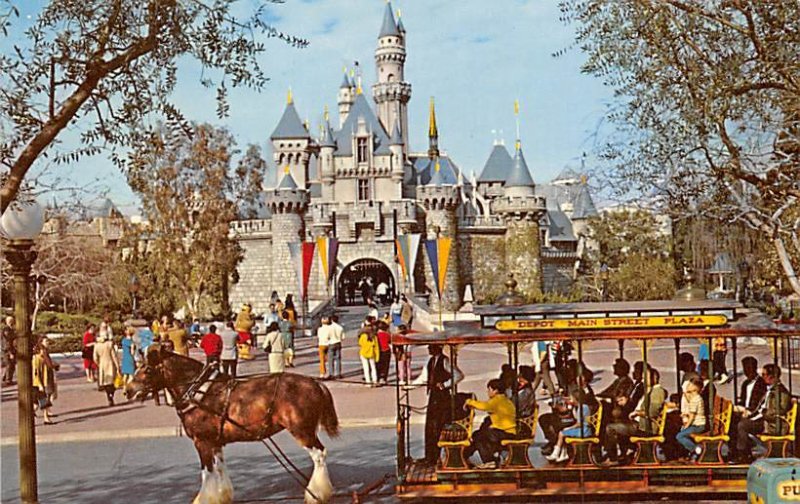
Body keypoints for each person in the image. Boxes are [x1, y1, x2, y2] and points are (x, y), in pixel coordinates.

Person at [411, 344, 464, 465]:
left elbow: (458, 376)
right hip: (433, 397)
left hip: (442, 398)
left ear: (437, 348)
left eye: (431, 347)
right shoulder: (430, 361)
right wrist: (409, 386)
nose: (428, 349)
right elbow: (424, 378)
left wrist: (445, 384)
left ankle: (437, 457)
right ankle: (429, 456)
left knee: (438, 426)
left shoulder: (444, 361)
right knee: (430, 427)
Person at [603, 368, 667, 465]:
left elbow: (652, 412)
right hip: (639, 423)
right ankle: (625, 454)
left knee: (611, 428)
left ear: (654, 378)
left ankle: (613, 458)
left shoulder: (657, 392)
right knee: (615, 422)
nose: (642, 380)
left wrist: (637, 413)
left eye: (645, 377)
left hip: (645, 426)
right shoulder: (649, 391)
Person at [731, 363, 791, 464]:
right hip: (763, 419)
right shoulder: (769, 390)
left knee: (742, 425)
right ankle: (740, 452)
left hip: (770, 424)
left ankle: (742, 455)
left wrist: (764, 413)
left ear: (772, 376)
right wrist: (749, 413)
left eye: (764, 375)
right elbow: (760, 407)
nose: (762, 377)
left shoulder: (781, 391)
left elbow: (780, 409)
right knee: (735, 420)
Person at [463, 378, 517, 469]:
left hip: (504, 433)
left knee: (479, 436)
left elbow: (484, 406)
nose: (488, 392)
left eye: (489, 389)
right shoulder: (506, 400)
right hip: (508, 432)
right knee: (479, 436)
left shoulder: (496, 401)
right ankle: (466, 457)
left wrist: (468, 401)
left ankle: (484, 459)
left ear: (495, 391)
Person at [728, 356, 767, 461]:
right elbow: (743, 400)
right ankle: (733, 450)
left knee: (742, 425)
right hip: (745, 413)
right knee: (729, 421)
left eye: (749, 368)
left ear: (754, 368)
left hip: (757, 419)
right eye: (745, 368)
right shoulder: (745, 384)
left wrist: (747, 412)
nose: (746, 371)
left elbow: (759, 404)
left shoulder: (761, 383)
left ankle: (742, 453)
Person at [546, 387, 594, 464]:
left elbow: (579, 423)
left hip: (584, 431)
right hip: (584, 429)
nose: (571, 400)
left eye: (572, 398)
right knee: (563, 432)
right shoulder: (581, 407)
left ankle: (556, 453)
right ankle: (563, 453)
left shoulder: (582, 408)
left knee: (562, 433)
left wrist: (569, 428)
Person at [676, 376, 706, 461]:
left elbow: (692, 416)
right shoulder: (696, 398)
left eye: (690, 384)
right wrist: (685, 414)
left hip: (698, 426)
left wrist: (686, 426)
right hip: (697, 424)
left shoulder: (695, 399)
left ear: (695, 388)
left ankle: (696, 449)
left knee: (680, 436)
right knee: (681, 433)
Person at [32, 336, 59, 424]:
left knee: (37, 402)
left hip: (42, 382)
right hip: (39, 384)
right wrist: (40, 385)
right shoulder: (37, 359)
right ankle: (46, 418)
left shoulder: (42, 358)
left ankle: (35, 413)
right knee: (43, 401)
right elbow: (36, 373)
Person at [94, 332, 120, 406]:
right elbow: (114, 356)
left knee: (106, 382)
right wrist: (117, 365)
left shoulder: (97, 346)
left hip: (102, 364)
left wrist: (99, 363)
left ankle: (108, 395)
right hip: (110, 364)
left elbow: (95, 358)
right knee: (112, 382)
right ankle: (111, 395)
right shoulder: (109, 344)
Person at [328, 314, 345, 379]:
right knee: (338, 359)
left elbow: (327, 336)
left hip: (331, 343)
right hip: (338, 342)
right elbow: (343, 337)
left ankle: (331, 373)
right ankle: (338, 373)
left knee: (330, 359)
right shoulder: (340, 327)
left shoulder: (329, 327)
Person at [375, 321, 392, 385]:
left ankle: (378, 377)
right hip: (386, 350)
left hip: (378, 351)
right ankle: (384, 378)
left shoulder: (376, 335)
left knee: (378, 365)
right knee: (386, 365)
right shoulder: (386, 334)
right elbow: (389, 341)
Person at [1, 316, 16, 385]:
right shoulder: (7, 330)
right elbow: (7, 342)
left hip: (9, 350)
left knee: (11, 365)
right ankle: (8, 380)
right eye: (10, 321)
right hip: (7, 351)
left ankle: (5, 378)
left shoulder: (11, 329)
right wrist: (10, 353)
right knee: (9, 365)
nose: (12, 322)